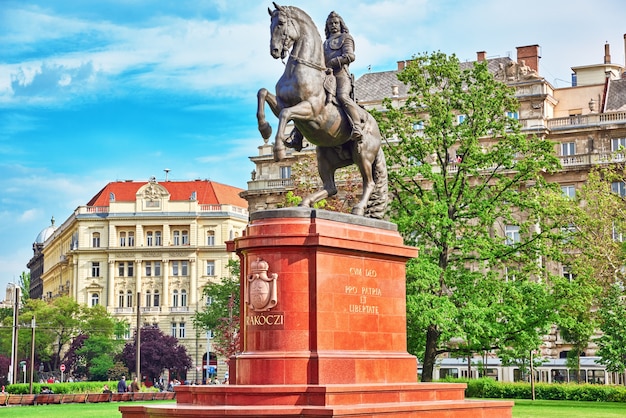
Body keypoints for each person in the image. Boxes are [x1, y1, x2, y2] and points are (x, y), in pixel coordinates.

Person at [324, 11, 363, 140]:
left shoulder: (346, 38)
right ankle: (298, 134)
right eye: (330, 23)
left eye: (336, 23)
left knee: (342, 96)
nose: (333, 25)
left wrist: (334, 62)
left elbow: (350, 56)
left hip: (341, 74)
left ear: (340, 24)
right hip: (325, 75)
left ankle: (357, 126)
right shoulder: (324, 43)